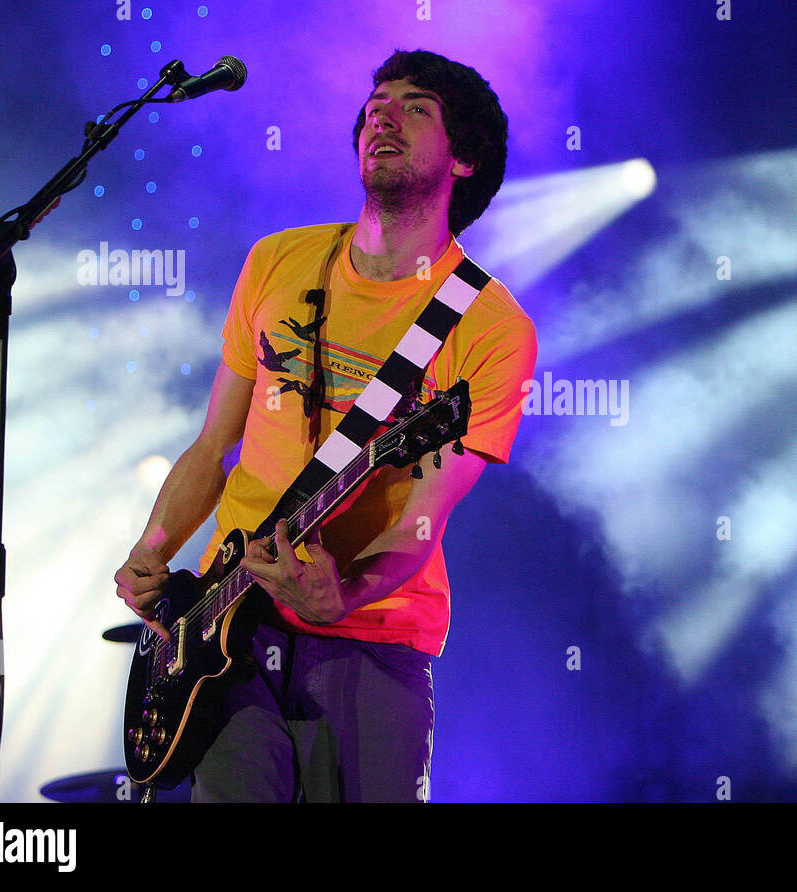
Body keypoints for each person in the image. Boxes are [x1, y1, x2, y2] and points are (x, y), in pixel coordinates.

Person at [113, 49, 536, 802]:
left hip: (370, 642)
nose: (382, 113)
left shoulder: (490, 326)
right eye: (377, 101)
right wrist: (154, 548)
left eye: (416, 107)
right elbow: (214, 446)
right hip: (224, 630)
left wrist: (340, 594)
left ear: (464, 159)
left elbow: (422, 522)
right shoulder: (278, 260)